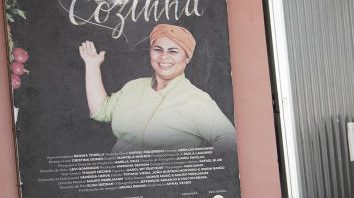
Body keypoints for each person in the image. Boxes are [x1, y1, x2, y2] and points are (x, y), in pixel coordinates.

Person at [78, 24, 237, 152]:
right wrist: (92, 66)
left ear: (187, 58)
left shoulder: (197, 100)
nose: (164, 57)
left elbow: (228, 140)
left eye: (173, 51)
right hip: (118, 179)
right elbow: (102, 112)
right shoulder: (133, 86)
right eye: (157, 49)